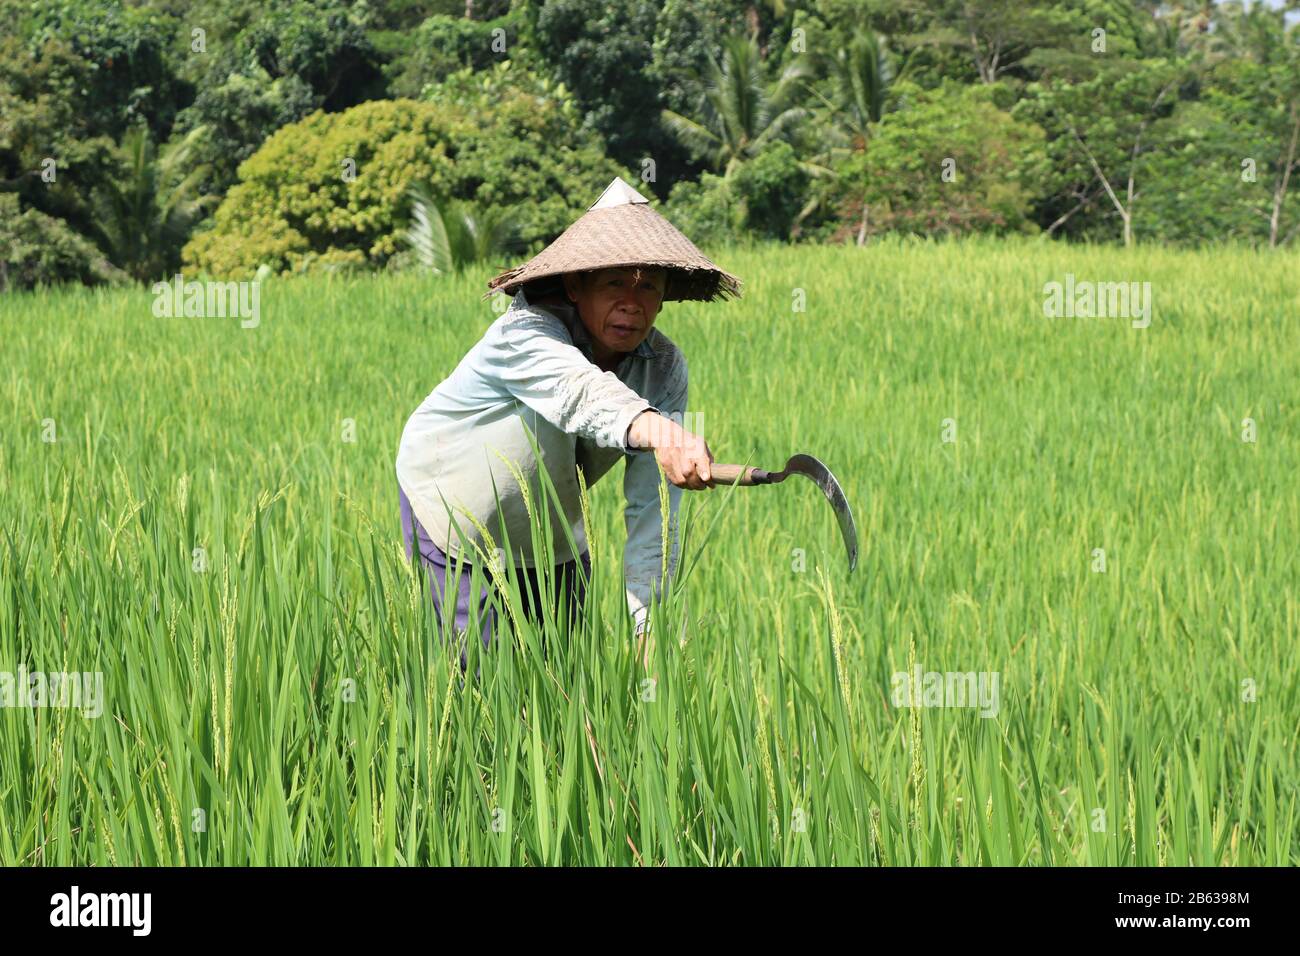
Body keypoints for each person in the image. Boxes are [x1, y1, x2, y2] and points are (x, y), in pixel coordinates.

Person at [395, 176, 741, 666]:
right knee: (477, 682)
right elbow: (581, 392)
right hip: (453, 512)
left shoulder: (662, 368)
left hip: (554, 531)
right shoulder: (524, 334)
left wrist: (649, 626)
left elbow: (655, 508)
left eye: (649, 288)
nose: (632, 303)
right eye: (615, 282)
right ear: (576, 286)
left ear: (665, 297)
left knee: (563, 684)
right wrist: (661, 430)